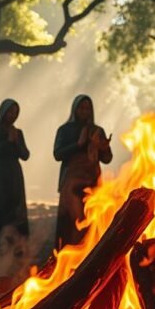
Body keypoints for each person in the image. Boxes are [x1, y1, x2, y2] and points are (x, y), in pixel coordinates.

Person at [53, 95, 112, 249]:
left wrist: (103, 147)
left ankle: (89, 254)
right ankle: (67, 257)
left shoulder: (97, 130)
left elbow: (107, 158)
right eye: (81, 108)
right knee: (71, 222)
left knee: (91, 221)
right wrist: (78, 144)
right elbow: (58, 154)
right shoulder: (65, 130)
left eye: (87, 108)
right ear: (75, 109)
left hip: (92, 181)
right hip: (71, 184)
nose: (84, 111)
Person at [0, 99, 31, 254]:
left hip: (14, 174)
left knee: (15, 206)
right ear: (3, 112)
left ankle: (16, 244)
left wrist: (16, 142)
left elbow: (25, 155)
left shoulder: (18, 132)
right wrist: (7, 141)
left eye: (16, 112)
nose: (13, 115)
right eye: (10, 112)